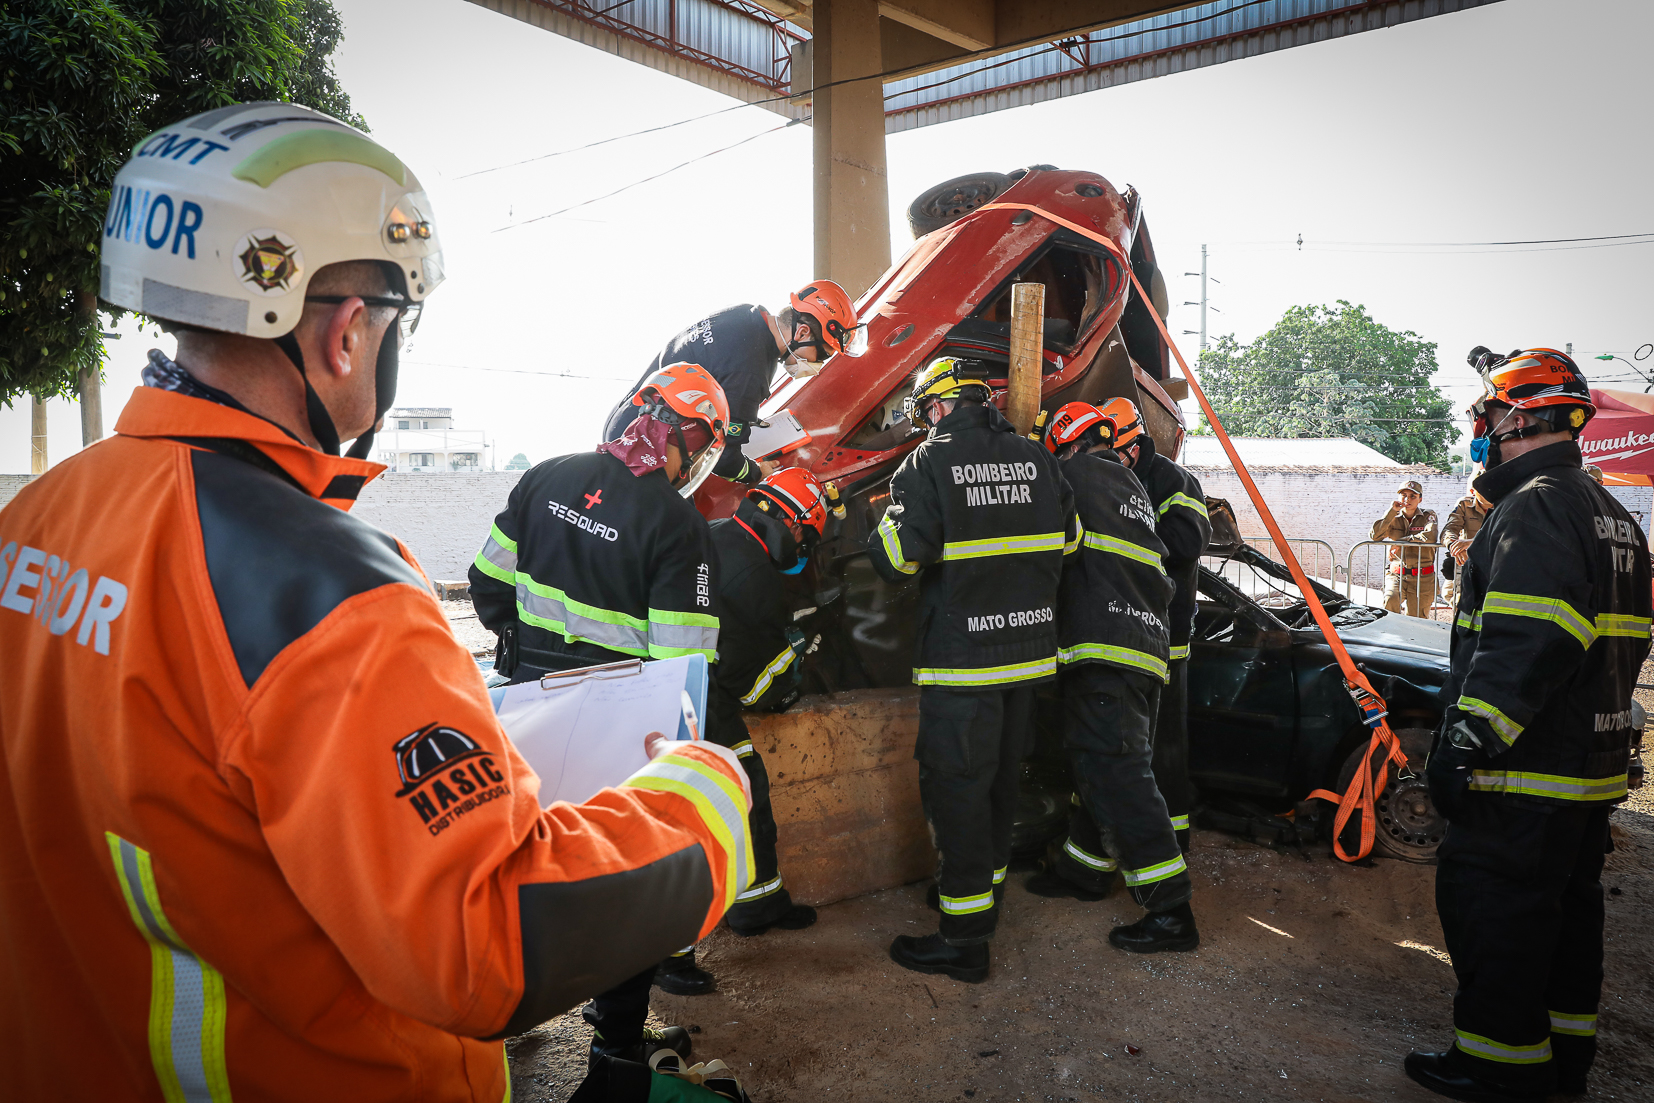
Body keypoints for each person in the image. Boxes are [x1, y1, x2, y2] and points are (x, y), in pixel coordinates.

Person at [0, 102, 753, 1103]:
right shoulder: (335, 597)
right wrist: (704, 801)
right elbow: (484, 940)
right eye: (401, 315)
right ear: (349, 331)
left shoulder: (39, 519)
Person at [469, 362, 740, 1085]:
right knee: (625, 886)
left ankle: (491, 1026)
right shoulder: (678, 525)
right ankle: (616, 1044)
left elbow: (488, 586)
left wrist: (534, 656)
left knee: (511, 866)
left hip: (524, 713)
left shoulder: (546, 476)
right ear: (689, 441)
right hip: (618, 738)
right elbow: (686, 667)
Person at [1406, 347, 1651, 1103]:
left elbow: (1527, 639)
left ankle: (1498, 1067)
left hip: (1523, 770)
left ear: (1517, 417)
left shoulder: (1536, 506)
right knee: (1565, 919)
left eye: (1484, 416)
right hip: (1583, 770)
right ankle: (1562, 1058)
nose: (1479, 431)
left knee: (1497, 911)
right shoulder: (1610, 514)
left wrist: (1466, 739)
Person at [867, 357, 1078, 983]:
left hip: (963, 667)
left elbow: (899, 560)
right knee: (997, 788)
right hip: (1026, 661)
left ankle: (963, 940)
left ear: (936, 407)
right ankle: (981, 896)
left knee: (956, 791)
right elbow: (1067, 543)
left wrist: (883, 522)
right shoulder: (1039, 460)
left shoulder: (928, 463)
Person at [1024, 403, 1199, 952]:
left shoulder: (1068, 477)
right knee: (1097, 764)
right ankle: (1083, 870)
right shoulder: (1131, 488)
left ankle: (1172, 911)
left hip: (1104, 649)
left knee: (1118, 775)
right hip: (1146, 650)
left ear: (1066, 444)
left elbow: (1047, 550)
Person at [656, 467, 831, 996]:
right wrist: (796, 661)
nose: (801, 545)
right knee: (687, 817)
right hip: (686, 700)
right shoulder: (753, 575)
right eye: (804, 533)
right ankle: (668, 954)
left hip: (685, 685)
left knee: (746, 792)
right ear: (790, 522)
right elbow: (755, 687)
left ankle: (760, 904)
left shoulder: (721, 534)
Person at [603, 283, 866, 486]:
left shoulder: (744, 315)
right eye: (822, 354)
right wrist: (755, 471)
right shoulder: (751, 371)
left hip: (625, 422)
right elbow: (725, 460)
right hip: (645, 457)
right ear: (802, 333)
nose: (817, 365)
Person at [1099, 397, 1212, 853]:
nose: (1113, 461)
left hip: (1166, 635)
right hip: (1120, 631)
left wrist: (1128, 528)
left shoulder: (1173, 480)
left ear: (1135, 439)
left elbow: (1188, 543)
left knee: (1163, 745)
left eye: (1118, 452)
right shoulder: (1115, 475)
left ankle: (1172, 840)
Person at [1372, 478, 1440, 617]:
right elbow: (1375, 536)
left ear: (1420, 499)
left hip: (1423, 577)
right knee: (1389, 606)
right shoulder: (1393, 517)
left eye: (1412, 496)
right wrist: (1391, 512)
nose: (1407, 499)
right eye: (1403, 495)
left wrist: (1400, 542)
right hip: (1397, 574)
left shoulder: (1428, 515)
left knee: (1417, 620)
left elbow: (1429, 536)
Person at [1440, 482, 1491, 605]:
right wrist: (1454, 546)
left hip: (1494, 564)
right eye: (1483, 488)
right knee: (1454, 597)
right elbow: (1449, 529)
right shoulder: (1465, 504)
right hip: (1468, 562)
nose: (1489, 491)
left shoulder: (1505, 503)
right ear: (1473, 492)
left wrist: (1473, 543)